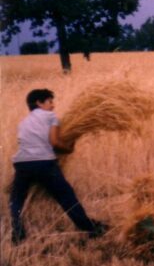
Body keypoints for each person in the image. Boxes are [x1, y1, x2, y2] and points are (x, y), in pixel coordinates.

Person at [9, 89, 108, 244]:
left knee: (17, 199)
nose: (53, 105)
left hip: (21, 163)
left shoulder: (24, 122)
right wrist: (68, 148)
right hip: (44, 163)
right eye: (49, 101)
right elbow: (54, 142)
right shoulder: (50, 117)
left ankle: (18, 233)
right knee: (66, 196)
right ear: (39, 103)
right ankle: (91, 229)